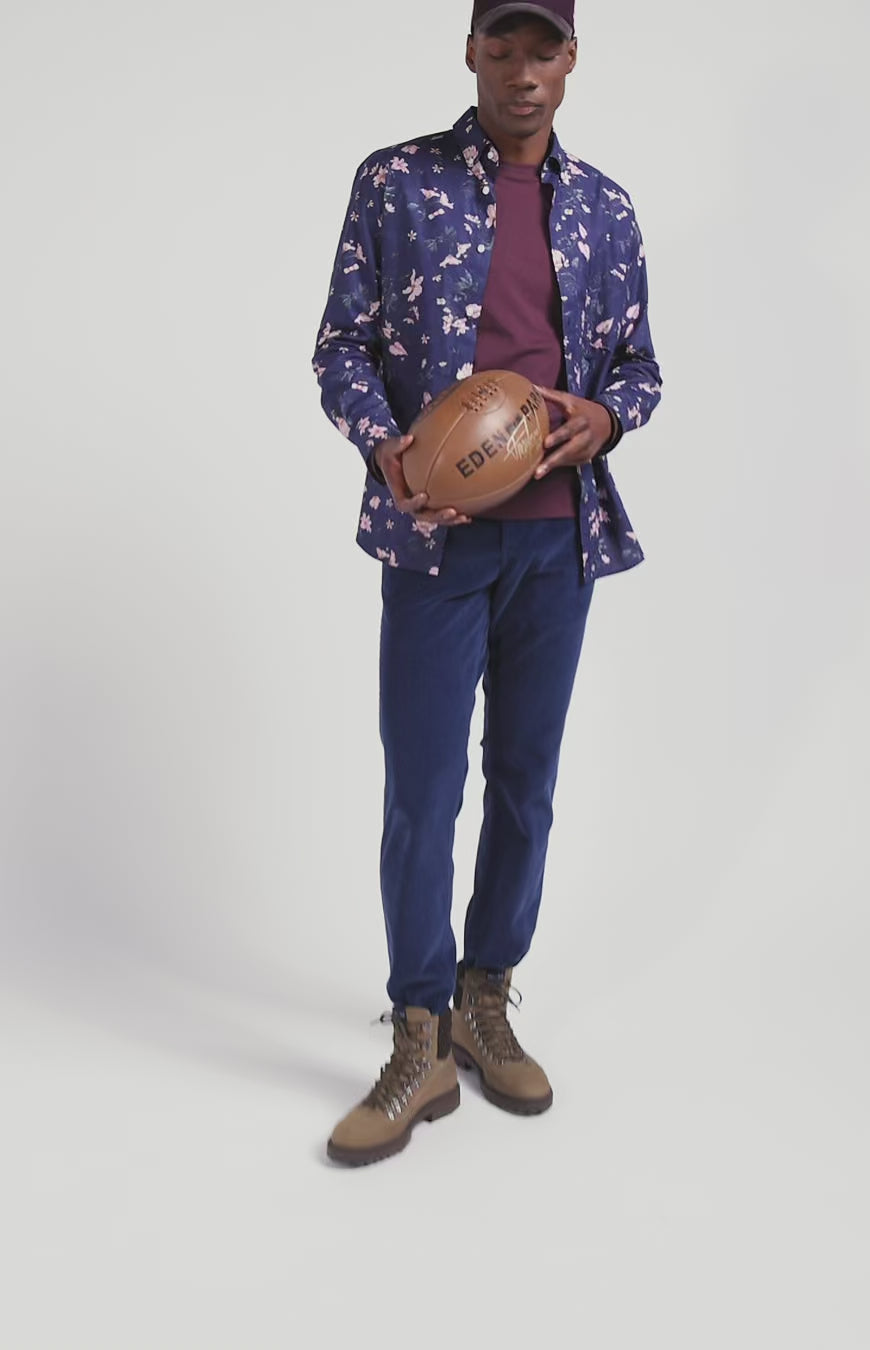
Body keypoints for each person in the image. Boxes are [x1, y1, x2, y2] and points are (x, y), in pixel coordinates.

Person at [312, 0, 662, 1166]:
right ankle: (418, 1034)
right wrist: (388, 447)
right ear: (470, 51)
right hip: (438, 543)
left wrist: (606, 416)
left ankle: (485, 998)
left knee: (524, 785)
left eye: (543, 47)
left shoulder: (607, 208)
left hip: (559, 543)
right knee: (422, 791)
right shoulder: (397, 183)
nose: (522, 70)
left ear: (572, 59)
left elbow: (640, 368)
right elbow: (342, 346)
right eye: (501, 45)